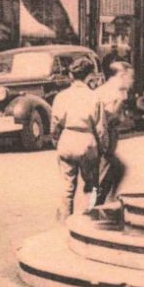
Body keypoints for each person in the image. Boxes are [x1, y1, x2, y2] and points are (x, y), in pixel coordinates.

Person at [52, 58, 101, 221]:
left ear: (72, 76)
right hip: (87, 142)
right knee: (91, 187)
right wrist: (104, 148)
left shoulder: (61, 97)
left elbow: (55, 126)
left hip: (67, 140)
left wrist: (57, 142)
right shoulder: (94, 97)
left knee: (67, 188)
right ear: (89, 76)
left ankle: (65, 225)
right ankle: (90, 221)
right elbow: (101, 128)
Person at [91, 62, 133, 211]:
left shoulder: (108, 88)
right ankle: (95, 206)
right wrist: (121, 102)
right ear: (122, 75)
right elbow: (108, 117)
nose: (131, 80)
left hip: (106, 136)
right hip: (105, 137)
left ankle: (102, 203)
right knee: (111, 170)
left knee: (114, 170)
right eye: (130, 76)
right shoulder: (115, 91)